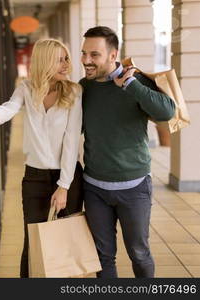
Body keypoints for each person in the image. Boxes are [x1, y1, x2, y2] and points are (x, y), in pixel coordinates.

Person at [0, 38, 82, 278]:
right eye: (59, 59)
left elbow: (72, 140)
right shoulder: (26, 88)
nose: (66, 64)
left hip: (68, 177)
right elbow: (11, 107)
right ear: (44, 61)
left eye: (66, 58)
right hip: (34, 177)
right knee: (32, 240)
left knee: (66, 241)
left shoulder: (74, 91)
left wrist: (63, 186)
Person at [80, 26, 176, 278]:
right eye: (83, 54)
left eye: (94, 55)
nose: (86, 61)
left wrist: (131, 85)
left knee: (139, 253)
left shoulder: (136, 82)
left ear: (113, 55)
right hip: (94, 188)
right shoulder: (84, 88)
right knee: (102, 257)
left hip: (134, 187)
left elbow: (167, 112)